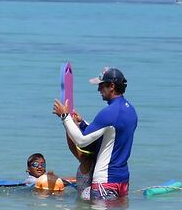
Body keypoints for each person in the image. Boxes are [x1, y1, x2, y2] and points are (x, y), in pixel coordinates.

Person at [53, 67, 138, 201]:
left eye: (101, 85)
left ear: (111, 86)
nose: (98, 89)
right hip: (122, 180)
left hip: (105, 182)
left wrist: (65, 116)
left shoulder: (109, 112)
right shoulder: (130, 110)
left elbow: (81, 140)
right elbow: (110, 134)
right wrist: (82, 124)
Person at [65, 112, 101, 200]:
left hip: (85, 201)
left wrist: (68, 125)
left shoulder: (86, 161)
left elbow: (72, 146)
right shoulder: (99, 160)